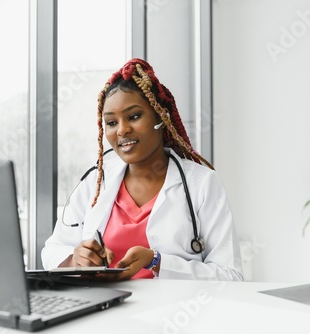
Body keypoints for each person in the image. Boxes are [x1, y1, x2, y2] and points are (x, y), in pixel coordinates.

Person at [41, 58, 243, 281]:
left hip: (174, 312)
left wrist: (156, 261)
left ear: (160, 117)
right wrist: (75, 260)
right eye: (111, 122)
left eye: (134, 117)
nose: (122, 130)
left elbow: (230, 276)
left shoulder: (202, 183)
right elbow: (53, 249)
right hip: (103, 310)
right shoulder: (96, 181)